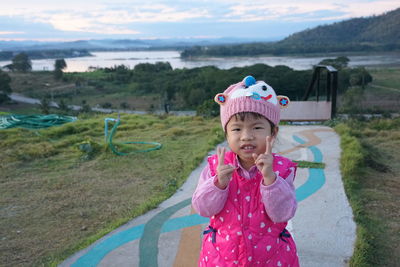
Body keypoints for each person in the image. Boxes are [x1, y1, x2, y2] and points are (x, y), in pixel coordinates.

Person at [192, 75, 299, 266]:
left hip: (271, 257)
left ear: (273, 133)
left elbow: (282, 214)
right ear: (226, 132)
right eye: (236, 129)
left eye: (257, 127)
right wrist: (218, 184)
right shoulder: (216, 166)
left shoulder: (282, 170)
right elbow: (202, 208)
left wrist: (270, 180)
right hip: (221, 257)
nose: (246, 136)